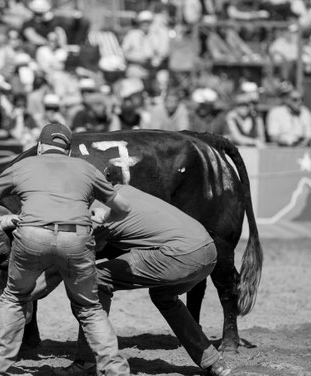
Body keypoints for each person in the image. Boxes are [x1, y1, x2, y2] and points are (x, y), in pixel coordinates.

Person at [17, 156, 232, 376]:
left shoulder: (95, 211)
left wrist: (17, 299)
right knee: (164, 298)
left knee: (96, 279)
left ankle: (87, 362)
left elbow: (56, 271)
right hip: (207, 251)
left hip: (180, 256)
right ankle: (213, 362)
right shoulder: (124, 192)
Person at [0, 123, 131, 376]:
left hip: (32, 235)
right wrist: (104, 218)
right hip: (76, 238)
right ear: (69, 150)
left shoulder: (23, 166)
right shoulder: (86, 168)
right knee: (90, 308)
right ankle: (115, 370)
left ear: (40, 146)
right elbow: (124, 208)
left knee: (14, 299)